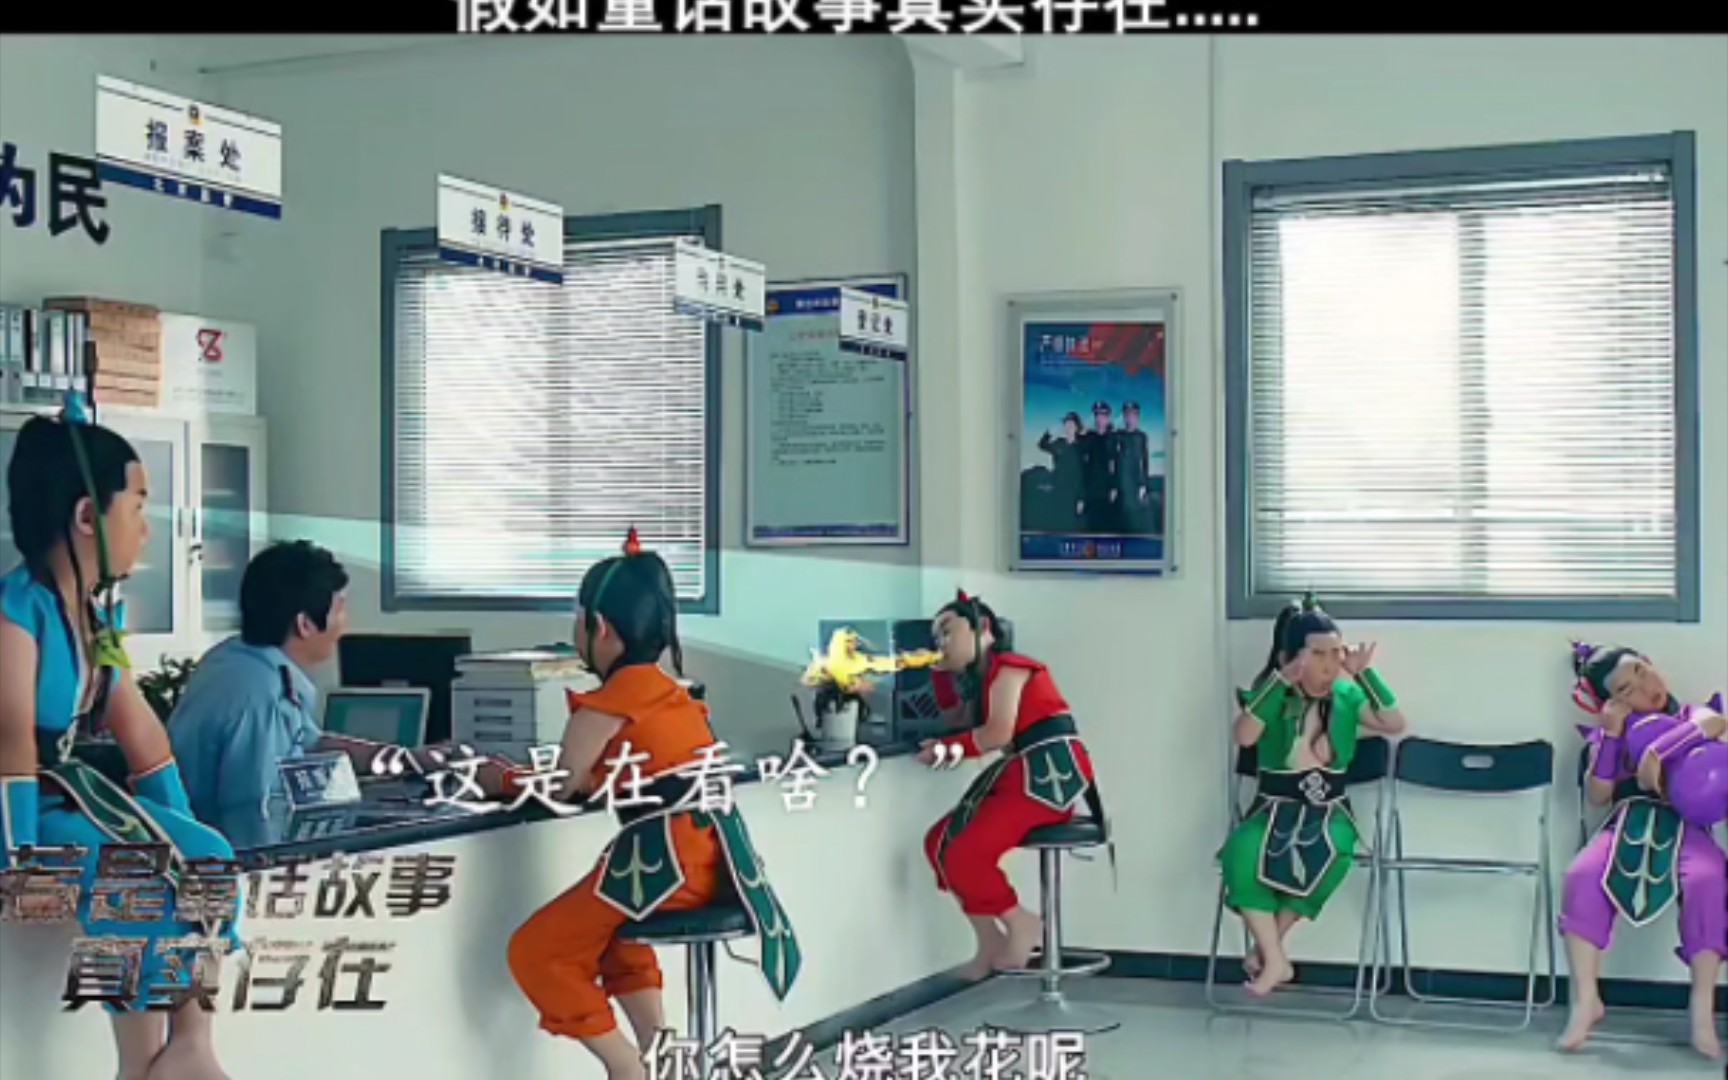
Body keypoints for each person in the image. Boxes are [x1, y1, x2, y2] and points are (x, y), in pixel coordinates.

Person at [505, 529, 799, 1080]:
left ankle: (627, 1070)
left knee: (536, 951)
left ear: (599, 627)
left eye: (577, 621)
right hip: (717, 863)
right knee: (608, 936)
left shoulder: (607, 703)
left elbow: (558, 787)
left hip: (669, 862)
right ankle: (662, 1057)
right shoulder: (672, 692)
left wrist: (498, 778)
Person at [0, 403, 239, 1080]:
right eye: (137, 506)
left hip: (58, 793)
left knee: (211, 858)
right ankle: (137, 1067)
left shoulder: (94, 620)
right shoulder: (15, 612)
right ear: (86, 517)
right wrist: (17, 864)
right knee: (128, 884)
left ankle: (191, 1044)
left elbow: (140, 731)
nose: (146, 527)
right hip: (17, 806)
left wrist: (182, 829)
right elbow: (9, 739)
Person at [168, 540, 449, 841]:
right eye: (340, 610)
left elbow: (311, 742)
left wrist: (406, 759)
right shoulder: (264, 696)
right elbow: (256, 818)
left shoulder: (235, 660)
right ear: (304, 624)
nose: (344, 625)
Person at [1218, 593, 1406, 997]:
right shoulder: (1271, 695)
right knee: (1241, 852)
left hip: (1328, 811)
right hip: (1272, 808)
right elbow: (1244, 737)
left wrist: (1364, 675)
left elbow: (1394, 722)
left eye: (1336, 654)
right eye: (1319, 654)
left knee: (1336, 853)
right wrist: (1280, 683)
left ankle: (1268, 952)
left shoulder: (1347, 696)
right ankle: (1276, 959)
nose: (1329, 665)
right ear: (1291, 658)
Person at [918, 590, 1107, 980]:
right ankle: (989, 940)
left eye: (948, 631)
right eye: (936, 637)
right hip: (1018, 775)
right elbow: (959, 723)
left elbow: (996, 733)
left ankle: (1020, 922)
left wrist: (947, 749)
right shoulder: (983, 679)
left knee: (965, 852)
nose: (941, 642)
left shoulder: (1011, 668)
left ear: (982, 628)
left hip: (1047, 777)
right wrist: (940, 675)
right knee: (939, 842)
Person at [1558, 642, 1725, 1058]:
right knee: (1581, 875)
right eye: (1625, 690)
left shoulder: (1689, 715)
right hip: (1628, 821)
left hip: (1688, 826)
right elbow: (1598, 796)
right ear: (1612, 702)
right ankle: (1586, 1001)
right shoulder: (1612, 733)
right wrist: (1612, 736)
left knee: (1707, 879)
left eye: (1641, 672)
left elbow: (1716, 722)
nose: (1644, 687)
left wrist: (1658, 751)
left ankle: (1702, 1009)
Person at [1036, 412, 1085, 529]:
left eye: (1071, 425)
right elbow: (1042, 445)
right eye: (1066, 424)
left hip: (1072, 491)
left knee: (1070, 522)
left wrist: (1081, 497)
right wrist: (1048, 433)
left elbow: (1082, 474)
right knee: (1056, 520)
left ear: (1076, 427)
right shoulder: (1059, 443)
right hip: (1057, 487)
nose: (1068, 428)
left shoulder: (1081, 447)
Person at [1113, 401, 1153, 534]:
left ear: (1137, 417)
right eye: (1127, 415)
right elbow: (1114, 463)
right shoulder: (1118, 436)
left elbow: (1145, 463)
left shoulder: (1141, 437)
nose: (1129, 418)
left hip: (1135, 487)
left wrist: (1144, 485)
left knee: (1135, 521)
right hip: (1121, 487)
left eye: (1133, 415)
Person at [1077, 401, 1115, 532]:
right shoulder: (1089, 437)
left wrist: (1113, 487)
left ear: (1108, 417)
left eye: (1103, 416)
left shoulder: (1113, 438)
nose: (1099, 419)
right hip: (1090, 488)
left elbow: (1115, 464)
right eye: (1097, 415)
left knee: (1107, 524)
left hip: (1107, 489)